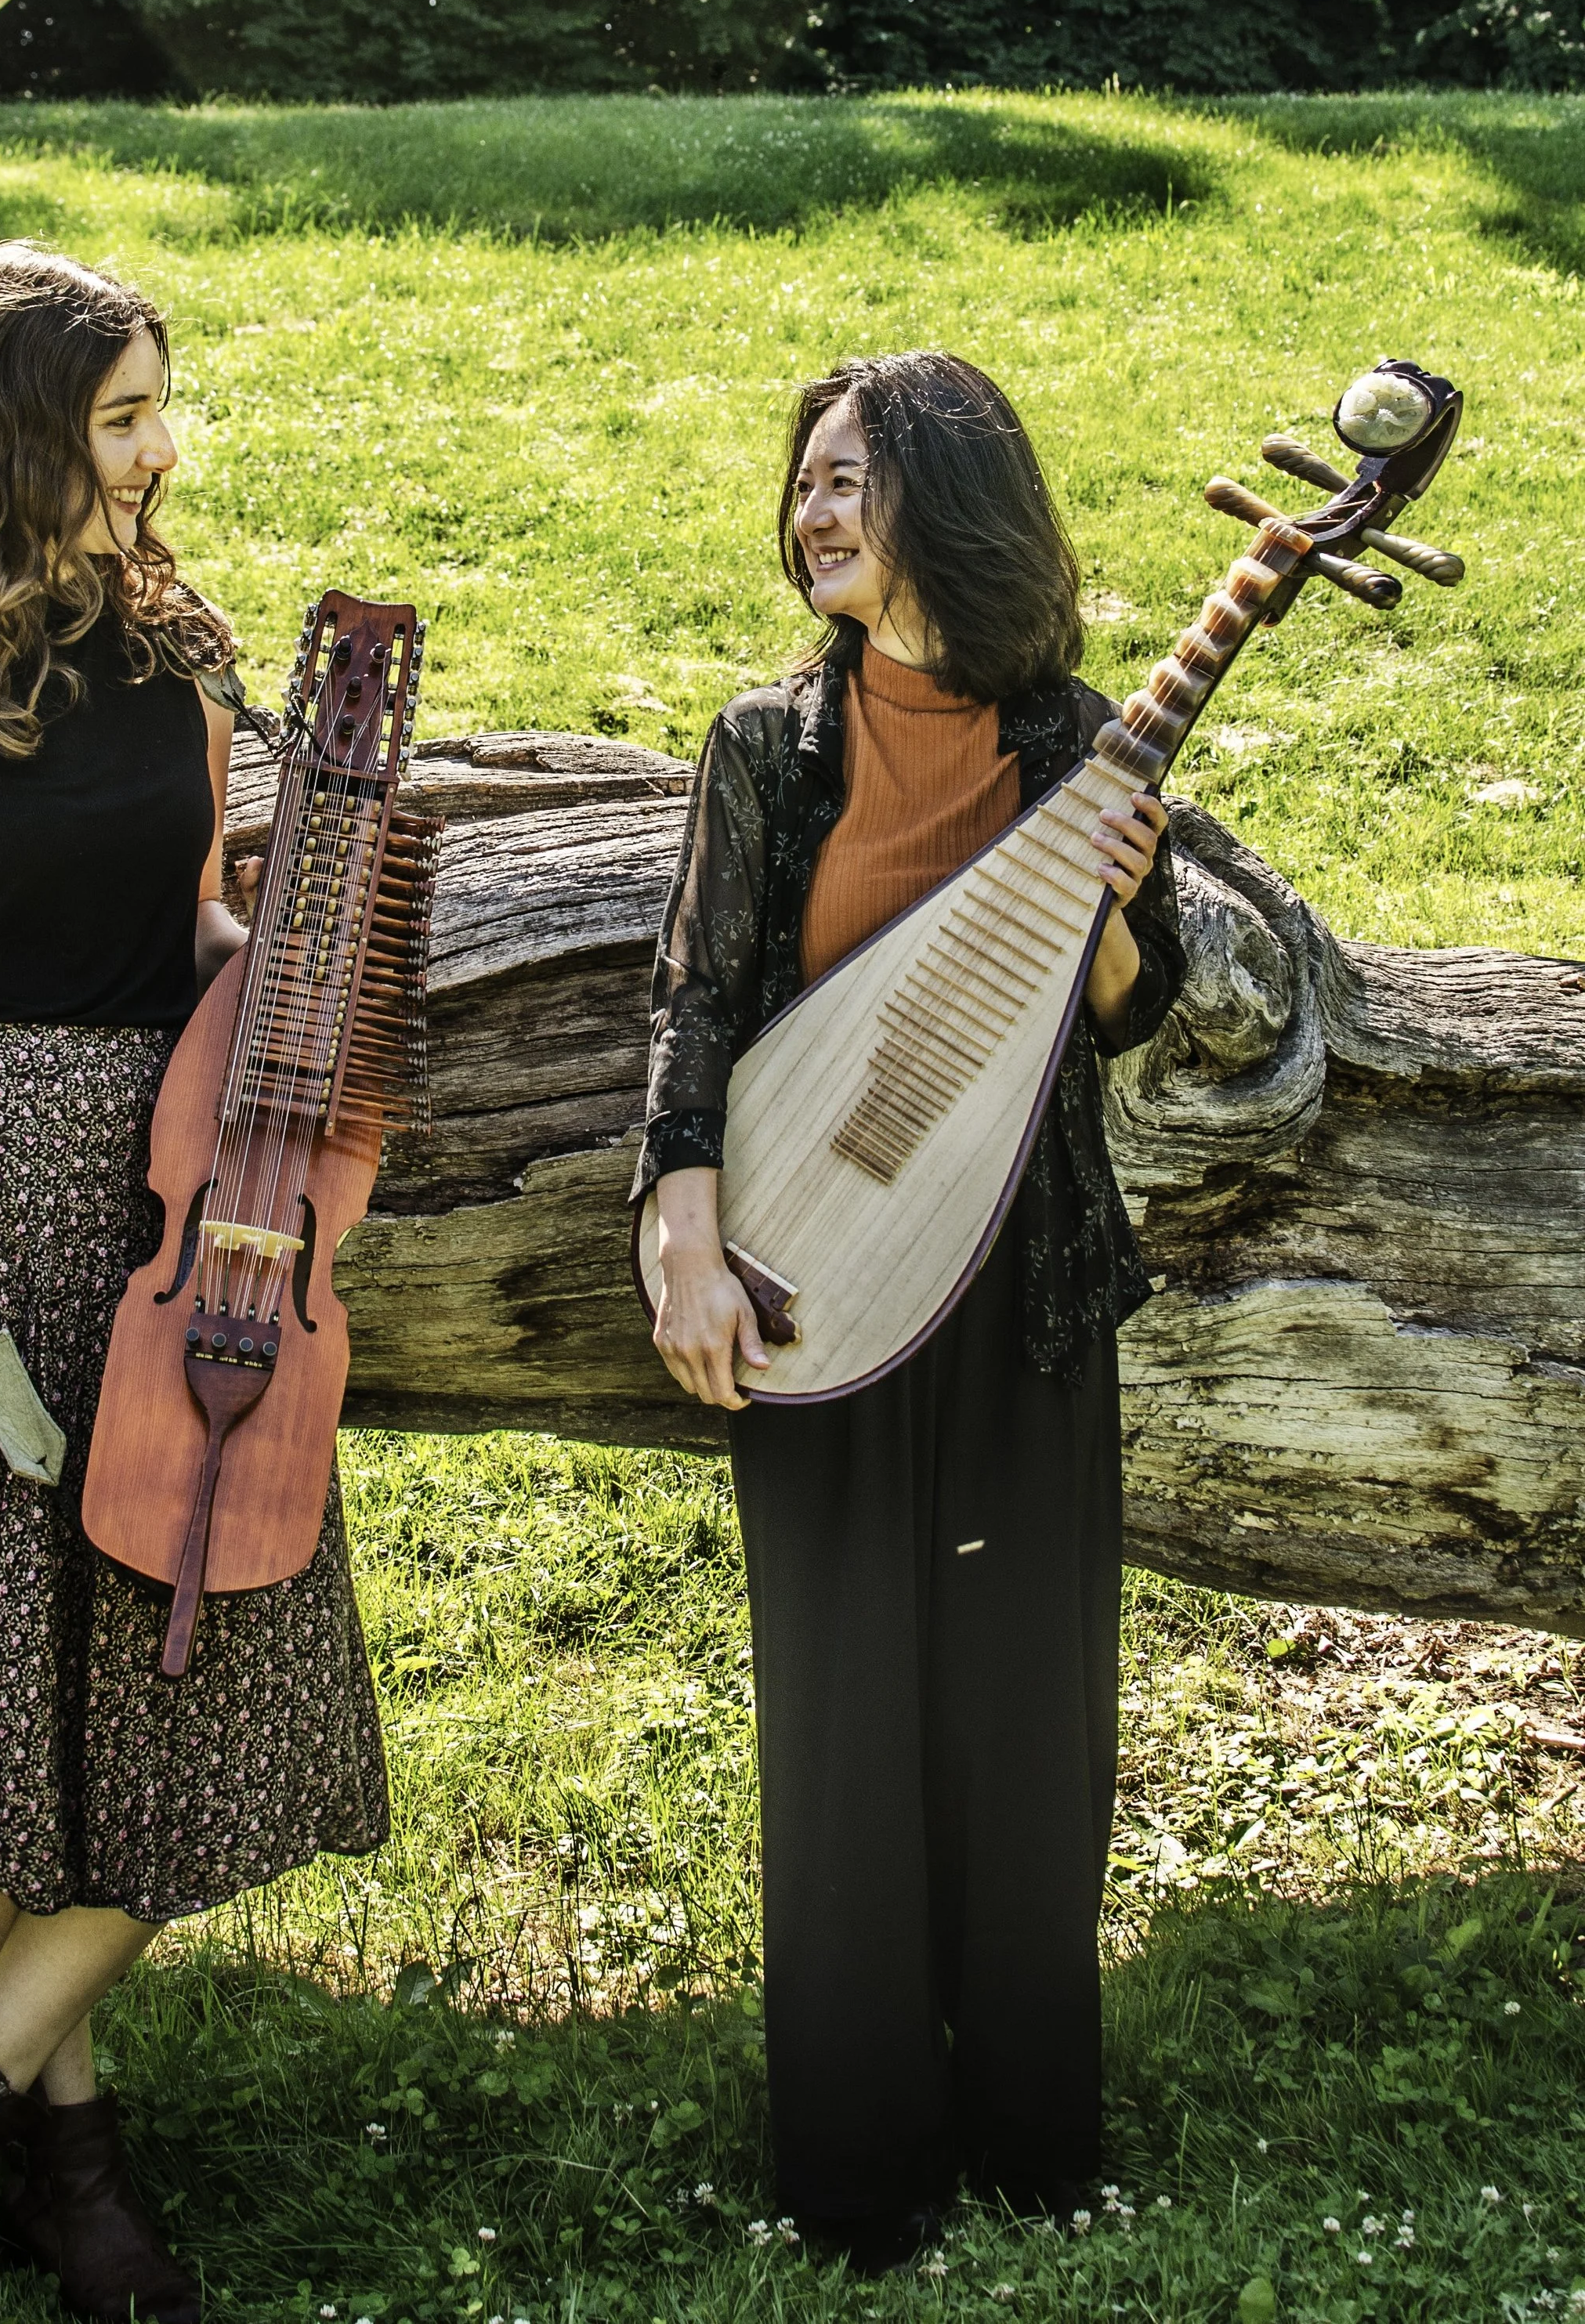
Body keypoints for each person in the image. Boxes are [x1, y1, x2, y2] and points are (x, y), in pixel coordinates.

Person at [0, 244, 389, 2319]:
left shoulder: (178, 657)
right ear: (11, 433)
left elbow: (185, 944)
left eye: (156, 408)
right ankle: (70, 2159)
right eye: (120, 414)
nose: (157, 450)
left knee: (209, 1676)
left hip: (164, 1231)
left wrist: (316, 931)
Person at [638, 350, 1186, 2273]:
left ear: (947, 497)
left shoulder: (1073, 742)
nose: (812, 510)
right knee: (842, 1709)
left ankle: (1035, 2136)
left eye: (849, 478)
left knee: (1026, 1710)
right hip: (812, 1276)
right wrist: (681, 1236)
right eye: (798, 482)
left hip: (1025, 1278)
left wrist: (1112, 900)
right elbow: (695, 1009)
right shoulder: (764, 744)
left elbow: (1127, 1009)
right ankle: (859, 2164)